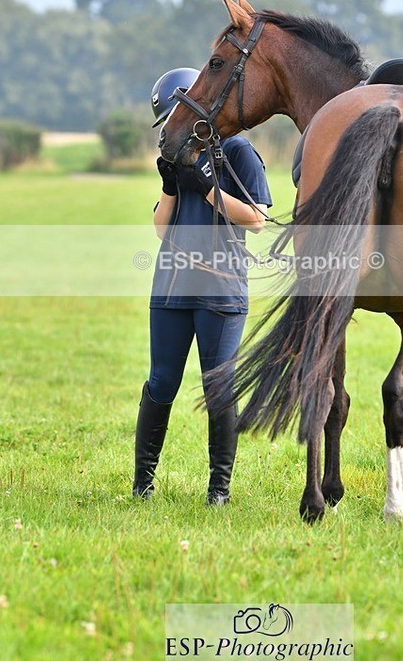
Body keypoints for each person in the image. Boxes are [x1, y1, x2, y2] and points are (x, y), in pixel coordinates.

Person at [133, 67, 272, 506]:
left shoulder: (238, 151)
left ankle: (219, 491)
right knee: (161, 383)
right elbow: (160, 230)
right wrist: (171, 185)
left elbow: (257, 219)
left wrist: (210, 188)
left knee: (220, 388)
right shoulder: (176, 158)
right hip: (171, 289)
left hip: (221, 293)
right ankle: (142, 485)